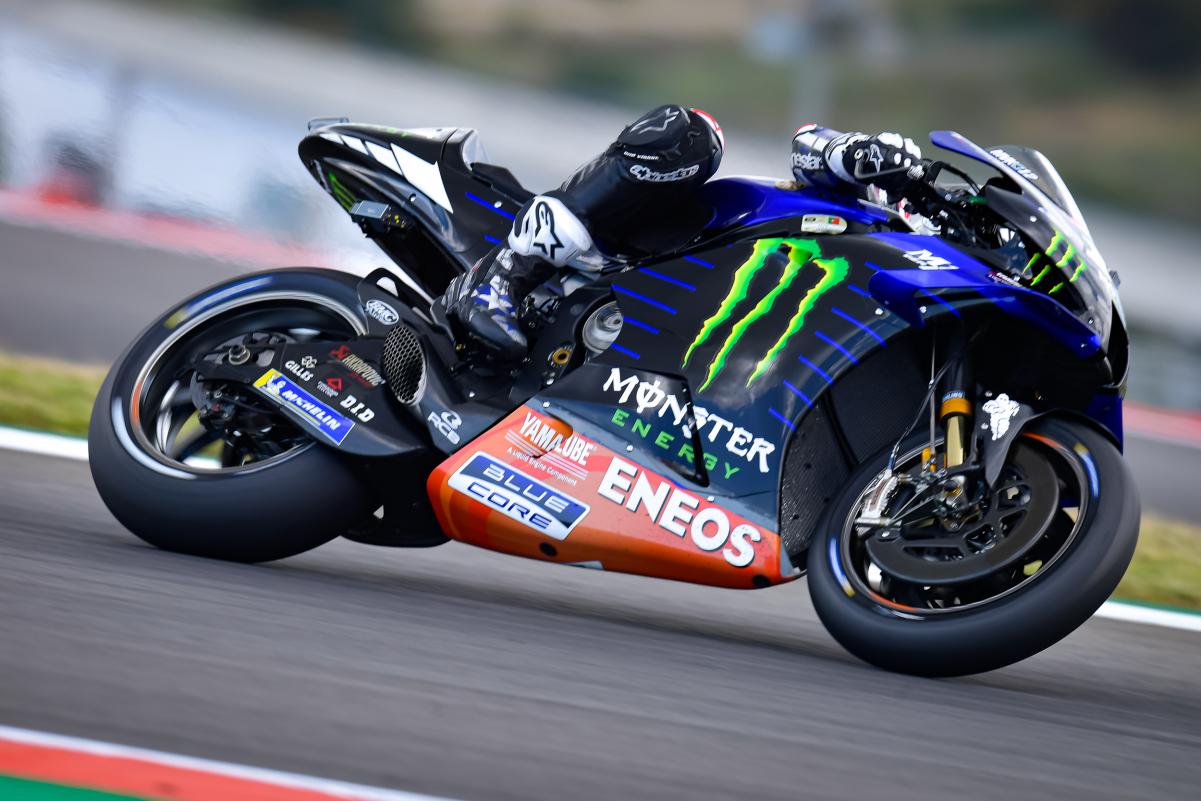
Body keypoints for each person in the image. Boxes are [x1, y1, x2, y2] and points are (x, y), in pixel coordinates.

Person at [438, 105, 922, 360]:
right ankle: (502, 278)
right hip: (676, 247)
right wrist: (864, 154)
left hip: (732, 350)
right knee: (690, 134)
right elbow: (810, 146)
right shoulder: (899, 208)